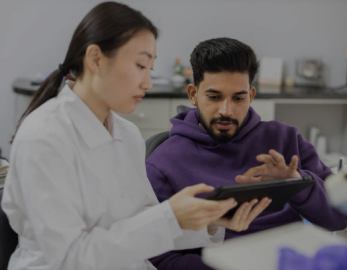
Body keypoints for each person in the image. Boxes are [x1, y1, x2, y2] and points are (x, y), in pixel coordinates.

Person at [1, 3, 271, 270]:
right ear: (95, 59)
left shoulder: (127, 133)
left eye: (150, 69)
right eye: (140, 66)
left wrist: (210, 220)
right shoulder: (44, 137)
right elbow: (71, 257)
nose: (148, 83)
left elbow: (143, 222)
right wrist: (171, 217)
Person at [146, 37, 347, 269]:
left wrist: (297, 184)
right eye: (214, 97)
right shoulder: (163, 163)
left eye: (238, 98)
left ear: (251, 95)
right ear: (193, 94)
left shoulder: (285, 139)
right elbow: (160, 258)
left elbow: (338, 219)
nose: (226, 110)